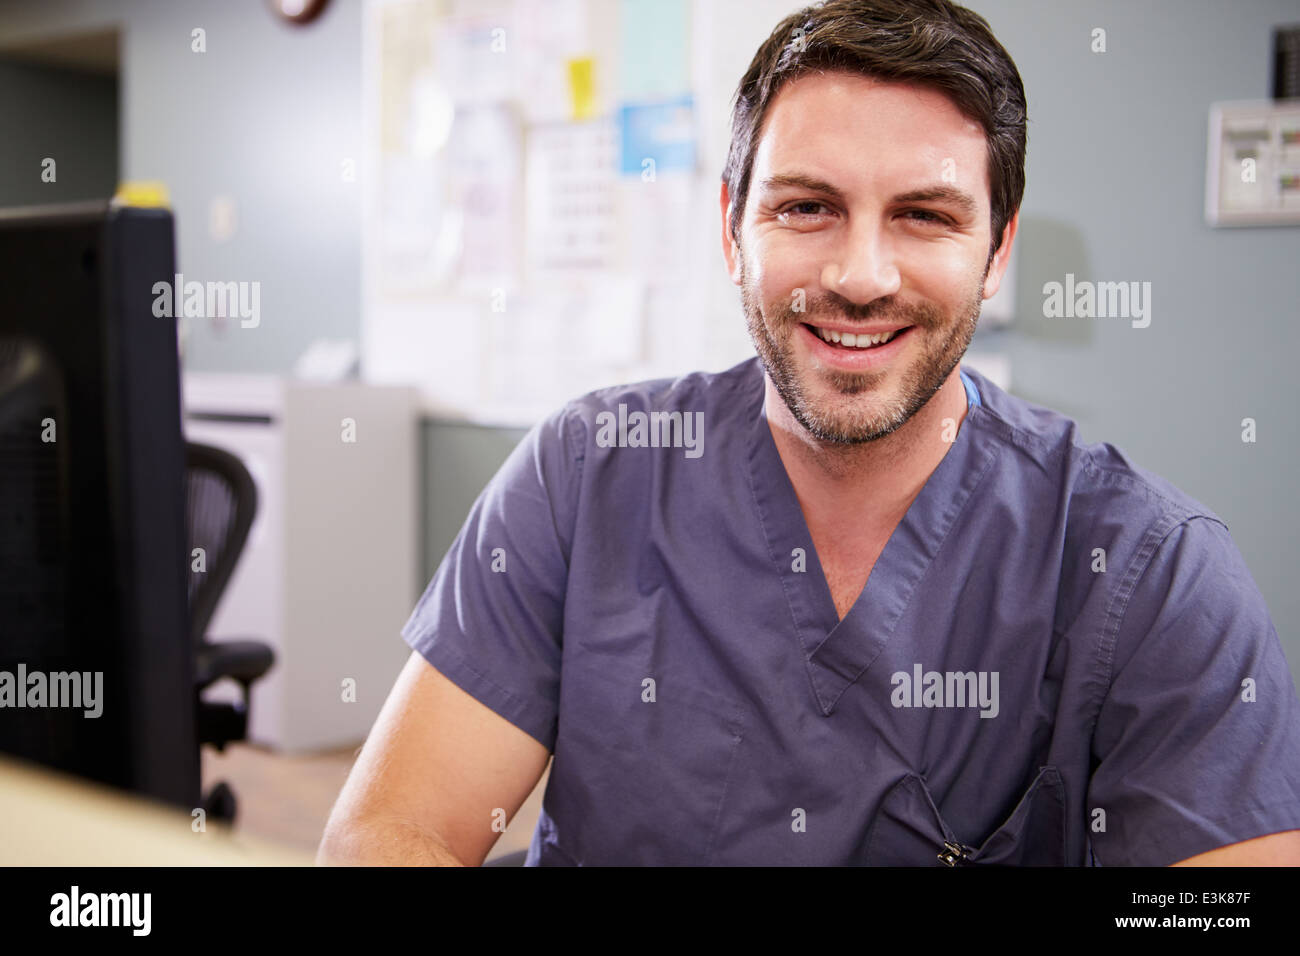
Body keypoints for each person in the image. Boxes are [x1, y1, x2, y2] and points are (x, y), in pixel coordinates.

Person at [318, 0, 1300, 866]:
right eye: (806, 206)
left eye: (924, 215)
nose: (861, 273)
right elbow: (384, 832)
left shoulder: (1152, 571)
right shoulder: (586, 475)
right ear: (729, 228)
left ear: (997, 248)